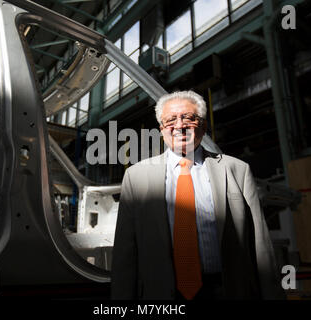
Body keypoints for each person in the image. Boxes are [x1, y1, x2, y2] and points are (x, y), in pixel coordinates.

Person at [111, 90, 284, 300]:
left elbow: (260, 243)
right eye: (171, 120)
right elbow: (125, 251)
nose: (179, 125)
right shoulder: (136, 176)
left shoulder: (237, 170)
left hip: (228, 290)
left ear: (203, 125)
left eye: (188, 118)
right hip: (163, 293)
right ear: (162, 129)